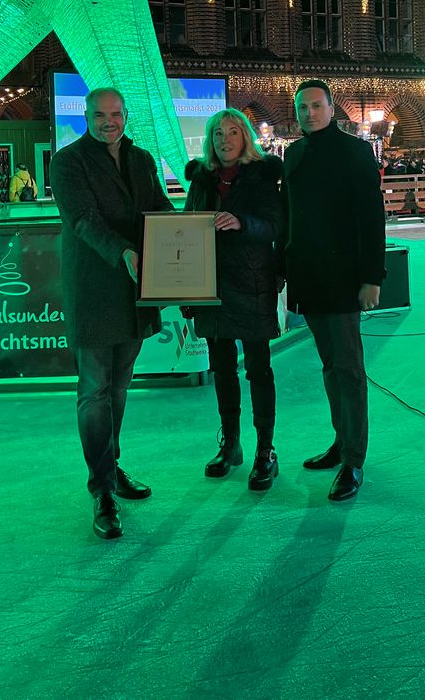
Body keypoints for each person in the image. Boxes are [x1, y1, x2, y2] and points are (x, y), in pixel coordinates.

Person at [50, 88, 172, 540]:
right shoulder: (68, 161)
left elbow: (159, 209)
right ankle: (101, 489)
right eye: (99, 115)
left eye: (115, 114)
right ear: (86, 117)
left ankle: (112, 466)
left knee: (119, 386)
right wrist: (122, 250)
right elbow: (83, 219)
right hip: (95, 289)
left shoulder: (141, 159)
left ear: (125, 115)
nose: (108, 122)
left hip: (136, 289)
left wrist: (190, 234)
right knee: (94, 390)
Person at [279, 79, 385, 503]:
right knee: (329, 365)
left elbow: (371, 218)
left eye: (315, 106)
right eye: (302, 108)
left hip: (343, 278)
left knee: (348, 369)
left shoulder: (355, 151)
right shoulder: (294, 154)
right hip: (308, 276)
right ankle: (341, 443)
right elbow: (289, 215)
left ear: (331, 108)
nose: (308, 113)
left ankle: (354, 460)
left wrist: (372, 277)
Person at [183, 109, 283, 491]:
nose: (225, 140)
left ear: (245, 138)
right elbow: (187, 229)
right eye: (218, 134)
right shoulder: (201, 179)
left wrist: (242, 222)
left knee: (258, 369)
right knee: (222, 370)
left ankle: (265, 450)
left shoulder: (261, 176)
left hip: (251, 284)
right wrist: (184, 286)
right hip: (210, 287)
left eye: (232, 132)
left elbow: (276, 225)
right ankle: (231, 443)